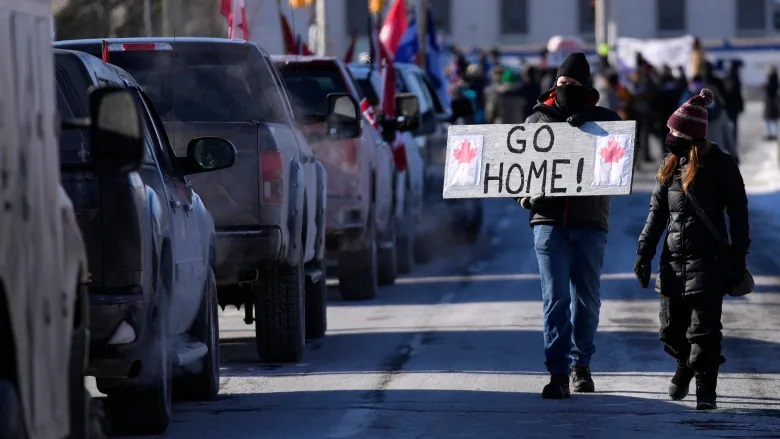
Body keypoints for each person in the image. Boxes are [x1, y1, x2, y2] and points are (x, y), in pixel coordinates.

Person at [634, 88, 750, 411]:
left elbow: (739, 215)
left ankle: (705, 392)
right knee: (671, 331)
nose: (668, 135)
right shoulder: (669, 167)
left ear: (690, 136)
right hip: (672, 264)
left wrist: (738, 258)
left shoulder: (722, 166)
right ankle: (684, 364)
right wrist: (644, 253)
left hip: (709, 264)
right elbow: (656, 214)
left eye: (674, 131)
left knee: (705, 333)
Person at [517, 52, 622, 399]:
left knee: (586, 300)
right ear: (554, 84)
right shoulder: (537, 122)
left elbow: (618, 168)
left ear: (586, 87)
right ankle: (558, 372)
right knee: (556, 299)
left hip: (591, 222)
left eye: (574, 84)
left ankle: (582, 365)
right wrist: (524, 197)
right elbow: (515, 171)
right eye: (562, 83)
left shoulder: (606, 122)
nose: (566, 88)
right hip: (548, 222)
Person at [763, 66, 780, 140]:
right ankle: (774, 133)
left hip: (771, 103)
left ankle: (770, 134)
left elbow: (770, 91)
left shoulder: (771, 80)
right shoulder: (776, 80)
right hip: (774, 103)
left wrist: (765, 87)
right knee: (774, 119)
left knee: (769, 119)